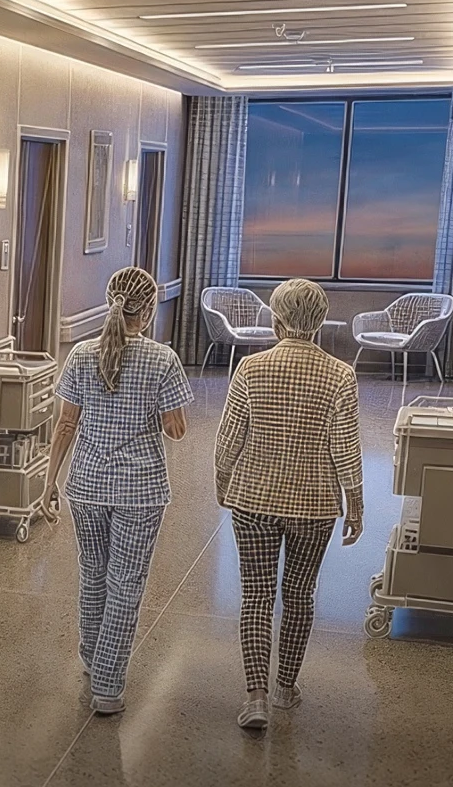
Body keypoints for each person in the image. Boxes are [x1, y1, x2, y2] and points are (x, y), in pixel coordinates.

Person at [42, 266, 193, 715]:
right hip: (140, 491)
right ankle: (108, 685)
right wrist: (166, 414)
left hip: (85, 485)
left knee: (93, 573)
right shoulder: (163, 360)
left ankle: (93, 657)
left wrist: (50, 482)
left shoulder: (81, 356)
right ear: (147, 312)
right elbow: (175, 430)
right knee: (125, 583)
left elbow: (65, 424)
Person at [214, 276, 363, 731]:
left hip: (254, 498)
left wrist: (223, 479)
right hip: (315, 506)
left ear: (276, 320)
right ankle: (284, 687)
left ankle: (255, 696)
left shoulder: (250, 369)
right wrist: (355, 505)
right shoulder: (341, 375)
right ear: (318, 323)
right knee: (298, 596)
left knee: (257, 596)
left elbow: (229, 436)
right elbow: (346, 448)